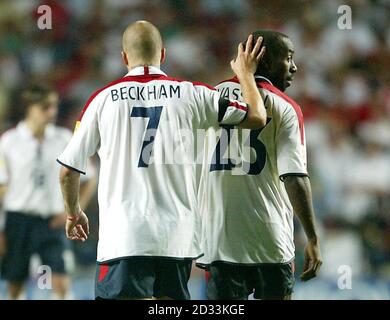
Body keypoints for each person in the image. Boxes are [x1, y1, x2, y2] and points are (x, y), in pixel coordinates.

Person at [57, 20, 267, 300]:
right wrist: (245, 74)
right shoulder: (194, 93)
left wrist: (73, 213)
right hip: (177, 238)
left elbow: (68, 171)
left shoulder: (102, 100)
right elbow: (256, 117)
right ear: (163, 54)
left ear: (124, 57)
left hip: (124, 237)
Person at [197, 30, 323, 300]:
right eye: (288, 58)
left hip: (220, 241)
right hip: (270, 240)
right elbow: (295, 177)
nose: (295, 66)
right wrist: (312, 238)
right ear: (264, 60)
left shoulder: (209, 97)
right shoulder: (285, 107)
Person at [0, 85, 97, 300]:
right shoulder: (9, 141)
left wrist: (73, 209)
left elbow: (90, 177)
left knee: (61, 283)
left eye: (54, 106)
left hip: (53, 222)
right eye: (45, 107)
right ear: (30, 108)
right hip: (18, 221)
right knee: (15, 287)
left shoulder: (64, 138)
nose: (52, 112)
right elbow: (1, 187)